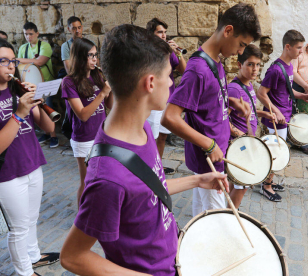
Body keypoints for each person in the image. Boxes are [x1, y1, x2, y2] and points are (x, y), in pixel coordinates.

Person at [60, 24, 229, 276]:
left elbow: (147, 191)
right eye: (169, 74)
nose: (172, 82)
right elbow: (73, 257)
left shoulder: (142, 129)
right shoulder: (107, 178)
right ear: (150, 82)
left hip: (173, 260)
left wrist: (198, 180)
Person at [162, 3, 261, 216]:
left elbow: (207, 98)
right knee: (214, 221)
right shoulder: (198, 69)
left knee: (205, 216)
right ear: (228, 31)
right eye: (242, 44)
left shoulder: (216, 61)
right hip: (209, 160)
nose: (240, 52)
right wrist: (209, 144)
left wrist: (231, 102)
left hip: (216, 154)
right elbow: (169, 118)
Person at [0, 39, 59, 276]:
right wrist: (20, 113)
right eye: (3, 61)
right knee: (18, 228)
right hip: (7, 173)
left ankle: (34, 256)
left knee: (32, 217)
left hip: (32, 162)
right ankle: (24, 272)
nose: (11, 65)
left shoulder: (17, 88)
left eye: (12, 60)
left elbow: (49, 129)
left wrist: (38, 104)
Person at [257, 30, 308, 202]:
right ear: (287, 47)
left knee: (278, 151)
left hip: (285, 116)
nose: (301, 51)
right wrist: (276, 111)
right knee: (276, 153)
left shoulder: (289, 66)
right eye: (298, 48)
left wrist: (301, 95)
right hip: (276, 120)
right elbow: (261, 93)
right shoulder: (275, 70)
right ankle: (266, 186)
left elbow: (286, 91)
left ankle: (269, 181)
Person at [61, 38, 113, 207]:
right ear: (80, 57)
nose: (95, 59)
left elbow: (110, 105)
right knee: (86, 181)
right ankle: (81, 220)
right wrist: (102, 93)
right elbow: (83, 115)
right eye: (90, 55)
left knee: (104, 178)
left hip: (101, 134)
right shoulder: (69, 82)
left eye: (95, 55)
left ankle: (99, 210)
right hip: (83, 138)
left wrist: (111, 86)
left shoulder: (97, 75)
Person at [227, 44, 277, 208]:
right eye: (250, 64)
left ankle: (228, 211)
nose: (255, 69)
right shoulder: (234, 89)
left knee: (237, 185)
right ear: (239, 65)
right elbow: (222, 119)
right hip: (240, 146)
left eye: (257, 65)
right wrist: (241, 135)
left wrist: (263, 114)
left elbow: (248, 109)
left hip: (247, 142)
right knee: (242, 186)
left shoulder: (248, 85)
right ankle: (230, 216)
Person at [145, 18, 187, 175]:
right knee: (152, 138)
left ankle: (158, 167)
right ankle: (149, 170)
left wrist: (178, 54)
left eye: (164, 32)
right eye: (159, 32)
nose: (163, 35)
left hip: (168, 99)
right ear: (152, 34)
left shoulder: (169, 51)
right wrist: (165, 53)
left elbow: (184, 70)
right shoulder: (148, 51)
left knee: (162, 136)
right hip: (154, 101)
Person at [17, 22, 58, 148]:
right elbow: (18, 65)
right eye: (26, 34)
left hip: (45, 83)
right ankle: (45, 133)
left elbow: (40, 62)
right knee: (35, 110)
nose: (28, 37)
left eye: (31, 34)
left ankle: (53, 136)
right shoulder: (23, 48)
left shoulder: (44, 46)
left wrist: (23, 60)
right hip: (30, 86)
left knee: (47, 108)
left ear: (37, 33)